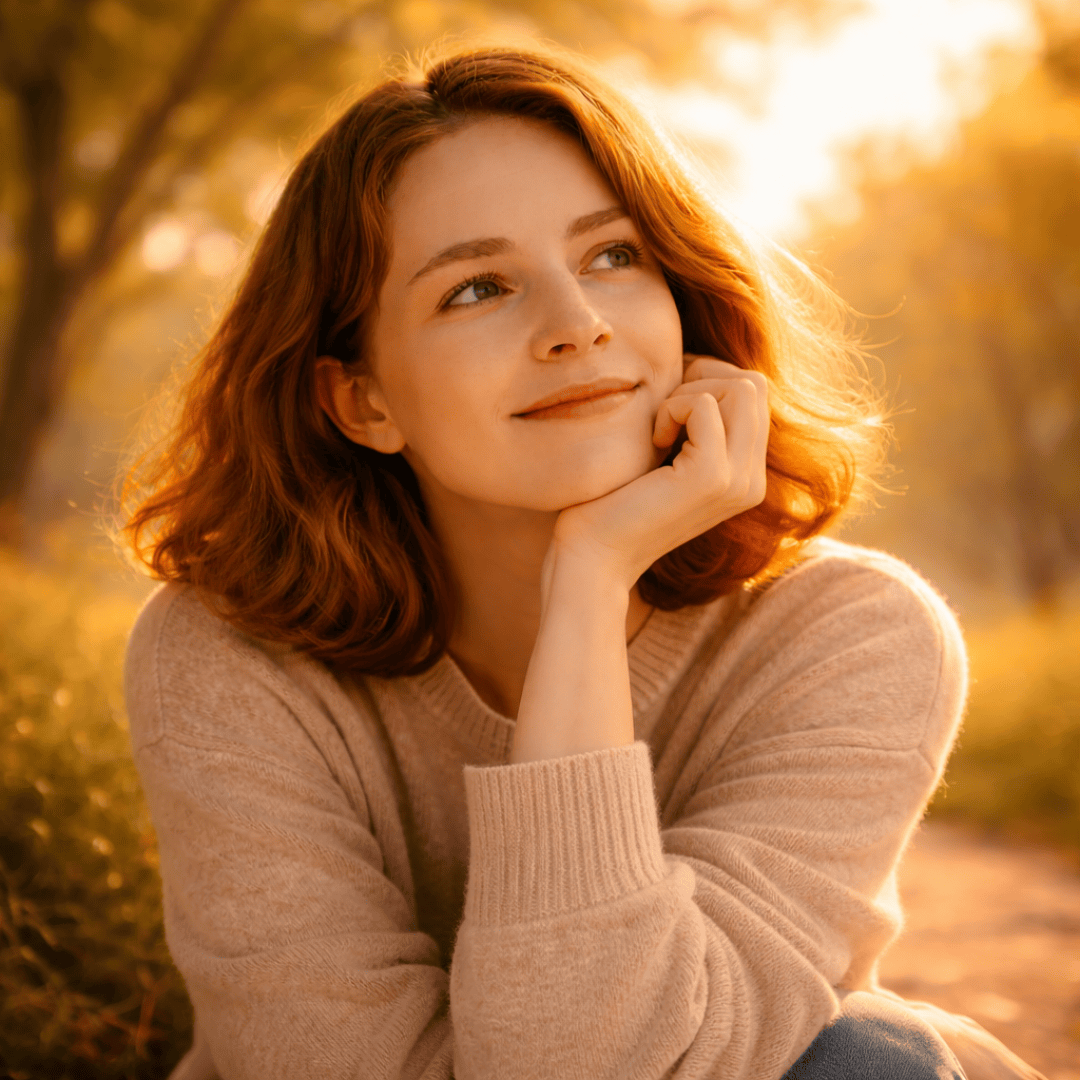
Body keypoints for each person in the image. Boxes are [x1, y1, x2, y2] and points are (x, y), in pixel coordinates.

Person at [119, 45, 1043, 1080]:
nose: (577, 325)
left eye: (613, 257)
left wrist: (592, 576)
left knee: (871, 1062)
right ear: (362, 401)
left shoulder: (851, 636)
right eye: (477, 288)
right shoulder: (229, 662)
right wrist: (591, 591)